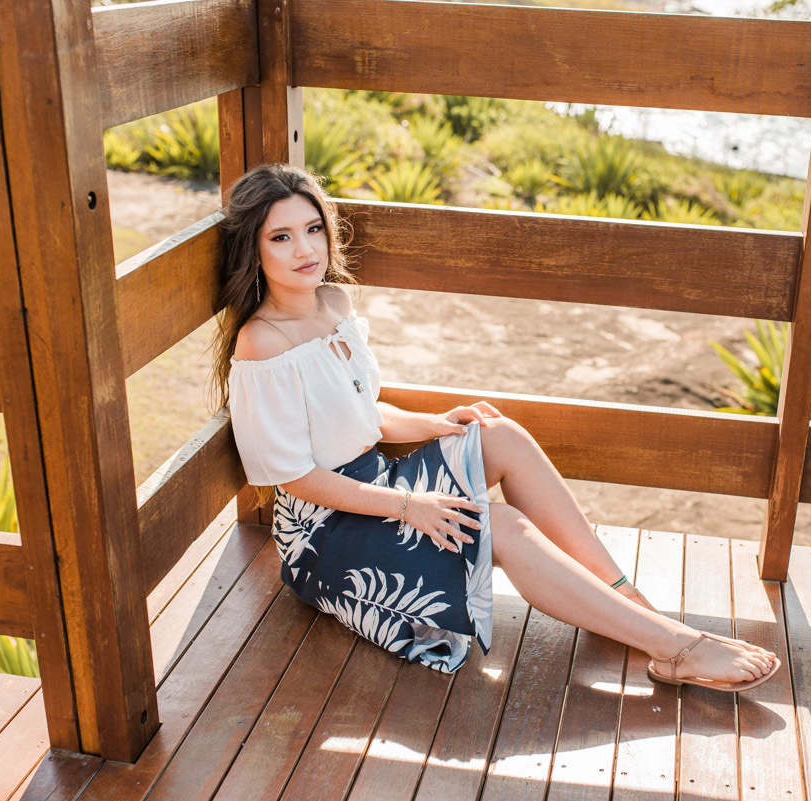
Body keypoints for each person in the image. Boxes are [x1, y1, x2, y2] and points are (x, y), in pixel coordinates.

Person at [211, 162, 780, 690]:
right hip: (325, 534)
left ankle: (626, 601)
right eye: (281, 237)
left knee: (499, 435)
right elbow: (294, 477)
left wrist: (434, 424)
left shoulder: (333, 303)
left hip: (376, 485)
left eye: (313, 229)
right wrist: (409, 506)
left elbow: (360, 413)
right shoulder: (263, 343)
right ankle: (675, 648)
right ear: (253, 250)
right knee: (499, 526)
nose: (305, 249)